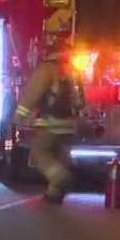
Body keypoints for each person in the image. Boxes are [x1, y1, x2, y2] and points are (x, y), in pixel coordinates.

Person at [13, 34, 86, 204]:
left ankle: (60, 177)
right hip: (71, 121)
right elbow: (81, 97)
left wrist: (20, 115)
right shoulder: (73, 69)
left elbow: (33, 93)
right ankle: (54, 193)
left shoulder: (47, 69)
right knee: (59, 154)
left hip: (52, 121)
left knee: (39, 151)